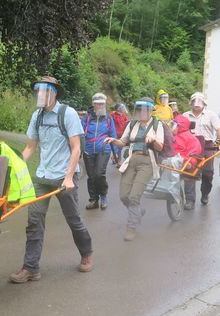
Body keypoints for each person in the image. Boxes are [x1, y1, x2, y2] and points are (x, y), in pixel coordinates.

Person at [9, 76, 93, 282]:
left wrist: (69, 177)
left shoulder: (68, 114)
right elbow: (30, 147)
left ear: (54, 93)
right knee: (34, 221)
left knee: (74, 220)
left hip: (64, 177)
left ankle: (86, 254)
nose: (40, 94)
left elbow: (76, 149)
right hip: (42, 176)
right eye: (38, 91)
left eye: (44, 91)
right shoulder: (37, 116)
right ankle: (31, 268)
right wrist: (14, 165)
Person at [105, 98, 164, 241]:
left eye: (145, 110)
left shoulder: (157, 125)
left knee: (133, 196)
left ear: (150, 111)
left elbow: (160, 147)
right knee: (124, 196)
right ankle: (137, 211)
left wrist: (153, 140)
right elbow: (122, 142)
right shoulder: (132, 124)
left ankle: (131, 227)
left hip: (147, 162)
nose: (142, 112)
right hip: (131, 160)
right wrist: (113, 140)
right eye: (140, 110)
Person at [182, 92, 220, 209]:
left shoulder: (211, 115)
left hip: (207, 146)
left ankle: (205, 193)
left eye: (199, 102)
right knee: (189, 172)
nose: (196, 105)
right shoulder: (185, 116)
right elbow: (178, 130)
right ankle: (190, 200)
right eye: (194, 102)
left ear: (204, 103)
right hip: (190, 147)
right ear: (190, 103)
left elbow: (219, 130)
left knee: (208, 173)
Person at [82, 93, 117, 210]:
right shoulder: (86, 118)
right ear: (93, 104)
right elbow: (80, 134)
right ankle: (93, 199)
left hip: (104, 149)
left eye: (102, 104)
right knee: (91, 176)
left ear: (104, 104)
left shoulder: (108, 118)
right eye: (97, 103)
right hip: (88, 150)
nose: (99, 106)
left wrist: (115, 152)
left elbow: (113, 135)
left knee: (99, 174)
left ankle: (103, 195)